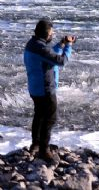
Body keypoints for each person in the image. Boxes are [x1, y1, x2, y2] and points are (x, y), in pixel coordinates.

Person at [24, 19, 76, 161]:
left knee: (39, 115)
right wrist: (69, 46)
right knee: (50, 118)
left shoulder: (33, 44)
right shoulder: (40, 48)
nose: (52, 35)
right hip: (44, 89)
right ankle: (44, 149)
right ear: (46, 34)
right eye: (51, 33)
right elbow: (61, 61)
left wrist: (61, 44)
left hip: (35, 88)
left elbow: (49, 55)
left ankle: (35, 144)